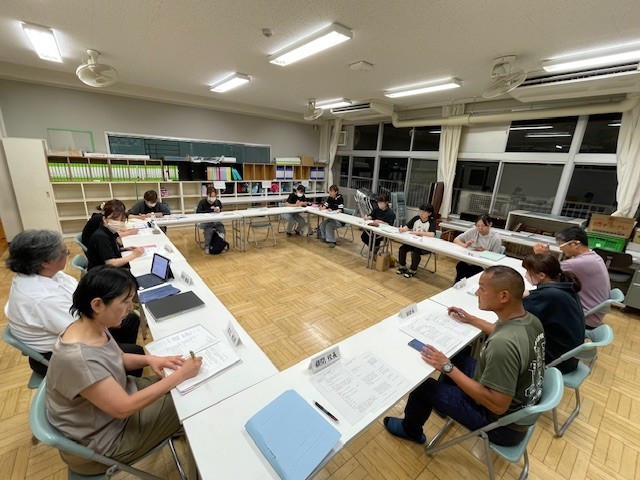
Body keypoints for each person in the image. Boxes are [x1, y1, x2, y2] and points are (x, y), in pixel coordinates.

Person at [45, 266, 202, 476]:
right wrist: (180, 375)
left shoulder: (90, 325)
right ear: (97, 304)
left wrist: (152, 359)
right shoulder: (78, 358)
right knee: (190, 399)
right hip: (105, 443)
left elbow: (118, 358)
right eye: (125, 301)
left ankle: (177, 427)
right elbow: (123, 408)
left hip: (113, 410)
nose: (131, 307)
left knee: (180, 385)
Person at [384, 266, 545, 447]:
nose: (477, 293)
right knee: (458, 356)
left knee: (423, 387)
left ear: (503, 296)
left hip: (502, 426)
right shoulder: (530, 320)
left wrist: (447, 367)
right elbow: (501, 332)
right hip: (518, 408)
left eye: (482, 288)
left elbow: (497, 405)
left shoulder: (502, 345)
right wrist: (471, 319)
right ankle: (443, 403)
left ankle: (410, 430)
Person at [4, 230, 143, 377]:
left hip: (71, 327)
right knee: (136, 351)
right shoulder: (41, 298)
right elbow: (81, 326)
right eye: (64, 251)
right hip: (57, 354)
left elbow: (80, 292)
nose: (68, 253)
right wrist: (111, 319)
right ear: (45, 262)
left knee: (130, 320)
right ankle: (119, 378)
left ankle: (117, 364)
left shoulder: (48, 274)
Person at [533, 226, 609, 329]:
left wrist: (539, 256)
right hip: (593, 313)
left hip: (584, 318)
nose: (560, 249)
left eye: (561, 245)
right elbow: (556, 267)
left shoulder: (578, 263)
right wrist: (547, 254)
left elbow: (547, 273)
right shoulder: (593, 256)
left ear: (574, 244)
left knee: (538, 305)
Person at [522, 253, 585, 373]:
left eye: (528, 272)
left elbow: (517, 311)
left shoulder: (551, 296)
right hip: (569, 355)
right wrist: (530, 293)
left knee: (507, 340)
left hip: (557, 361)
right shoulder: (564, 287)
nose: (526, 274)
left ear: (541, 275)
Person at [87, 200, 145, 270]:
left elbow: (110, 247)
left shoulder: (108, 230)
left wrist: (124, 249)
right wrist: (134, 255)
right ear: (104, 219)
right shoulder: (101, 237)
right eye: (114, 219)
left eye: (121, 220)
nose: (118, 223)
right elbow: (111, 263)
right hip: (101, 272)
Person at [453, 214, 502, 283]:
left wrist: (484, 251)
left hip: (482, 265)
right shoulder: (473, 231)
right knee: (461, 265)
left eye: (483, 226)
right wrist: (465, 245)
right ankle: (458, 285)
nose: (480, 228)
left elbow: (495, 256)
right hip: (470, 260)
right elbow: (456, 240)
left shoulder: (496, 238)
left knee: (475, 270)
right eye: (478, 226)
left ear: (490, 224)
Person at [396, 204, 437, 278]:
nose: (421, 213)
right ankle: (402, 266)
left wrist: (419, 233)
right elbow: (407, 226)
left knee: (416, 252)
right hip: (413, 242)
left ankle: (413, 270)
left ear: (429, 213)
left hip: (425, 245)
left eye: (424, 212)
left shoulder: (432, 222)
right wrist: (402, 229)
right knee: (402, 249)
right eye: (420, 211)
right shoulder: (416, 218)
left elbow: (432, 234)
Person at [196, 186, 226, 253]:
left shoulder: (217, 202)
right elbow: (198, 212)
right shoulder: (202, 202)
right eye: (211, 196)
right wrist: (210, 210)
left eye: (214, 196)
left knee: (221, 229)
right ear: (207, 195)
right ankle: (207, 247)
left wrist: (218, 210)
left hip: (216, 221)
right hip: (205, 222)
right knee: (209, 231)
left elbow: (220, 211)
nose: (213, 198)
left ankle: (221, 245)